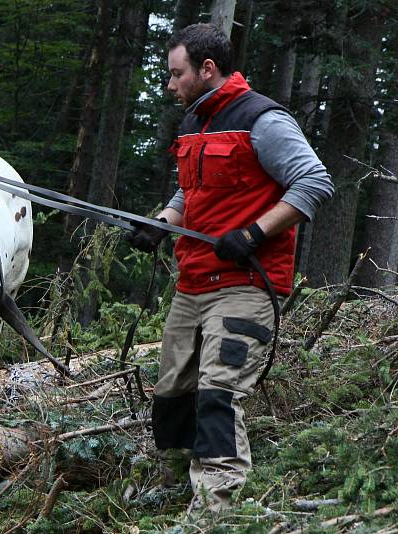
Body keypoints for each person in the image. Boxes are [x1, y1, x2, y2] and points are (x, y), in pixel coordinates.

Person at [126, 23, 334, 512]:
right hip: (193, 281)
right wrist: (161, 224)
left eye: (176, 75)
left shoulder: (262, 119)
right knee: (173, 392)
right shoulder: (193, 123)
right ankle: (176, 487)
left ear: (208, 69)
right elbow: (188, 193)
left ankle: (217, 508)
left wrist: (254, 234)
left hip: (245, 283)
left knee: (217, 391)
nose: (170, 85)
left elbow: (315, 182)